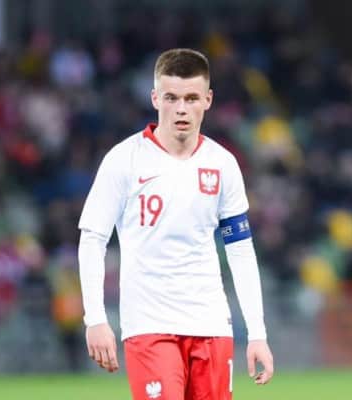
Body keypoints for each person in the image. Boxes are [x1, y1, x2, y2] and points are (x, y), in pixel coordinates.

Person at [78, 48, 273, 399]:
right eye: (171, 98)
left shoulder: (223, 164)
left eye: (191, 98)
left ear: (208, 100)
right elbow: (92, 238)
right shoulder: (124, 160)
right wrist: (95, 318)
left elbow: (241, 250)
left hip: (211, 323)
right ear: (155, 98)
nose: (181, 109)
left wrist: (257, 332)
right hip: (149, 324)